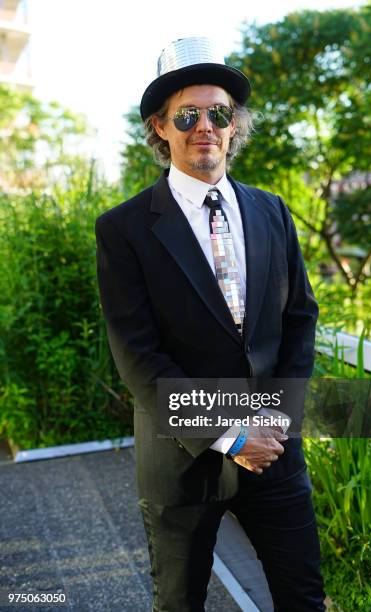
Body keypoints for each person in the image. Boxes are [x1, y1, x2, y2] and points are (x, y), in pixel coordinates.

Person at [95, 37, 326, 612]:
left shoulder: (272, 209)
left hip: (275, 451)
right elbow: (138, 356)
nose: (206, 125)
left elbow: (300, 319)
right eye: (187, 114)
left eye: (218, 113)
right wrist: (231, 433)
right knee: (180, 604)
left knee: (304, 597)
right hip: (183, 459)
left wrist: (269, 423)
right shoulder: (123, 230)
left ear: (233, 125)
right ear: (160, 127)